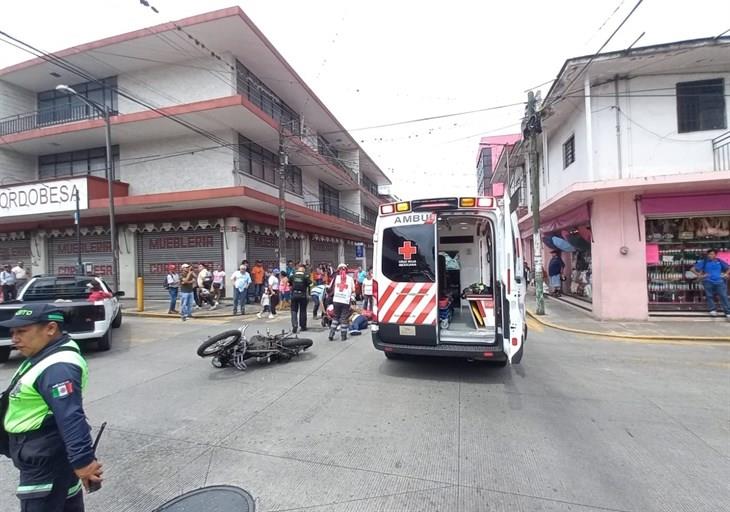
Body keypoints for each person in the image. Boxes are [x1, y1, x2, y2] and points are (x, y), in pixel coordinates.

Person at [0, 304, 103, 511]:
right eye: (12, 333)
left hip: (44, 460)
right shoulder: (44, 354)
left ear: (50, 328)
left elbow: (70, 416)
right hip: (46, 454)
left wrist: (83, 462)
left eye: (22, 331)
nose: (15, 339)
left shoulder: (58, 367)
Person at [693, 249, 730, 319]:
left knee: (723, 296)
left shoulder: (719, 261)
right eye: (709, 254)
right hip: (708, 281)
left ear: (716, 255)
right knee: (709, 296)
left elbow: (728, 268)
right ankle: (712, 310)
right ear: (707, 255)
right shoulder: (704, 262)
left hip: (719, 281)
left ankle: (728, 312)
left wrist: (726, 274)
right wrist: (699, 275)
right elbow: (692, 269)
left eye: (712, 254)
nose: (711, 255)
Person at [327, 263, 356, 341]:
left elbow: (329, 288)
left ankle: (331, 334)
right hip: (345, 301)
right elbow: (353, 291)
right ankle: (343, 336)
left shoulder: (335, 278)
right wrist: (352, 299)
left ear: (338, 270)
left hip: (336, 301)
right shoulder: (350, 279)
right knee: (344, 318)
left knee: (335, 317)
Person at [290, 264, 311, 333]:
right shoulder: (306, 276)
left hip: (294, 295)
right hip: (303, 295)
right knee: (302, 311)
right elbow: (310, 284)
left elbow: (289, 283)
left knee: (294, 310)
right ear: (303, 269)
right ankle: (303, 326)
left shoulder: (293, 275)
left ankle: (294, 325)